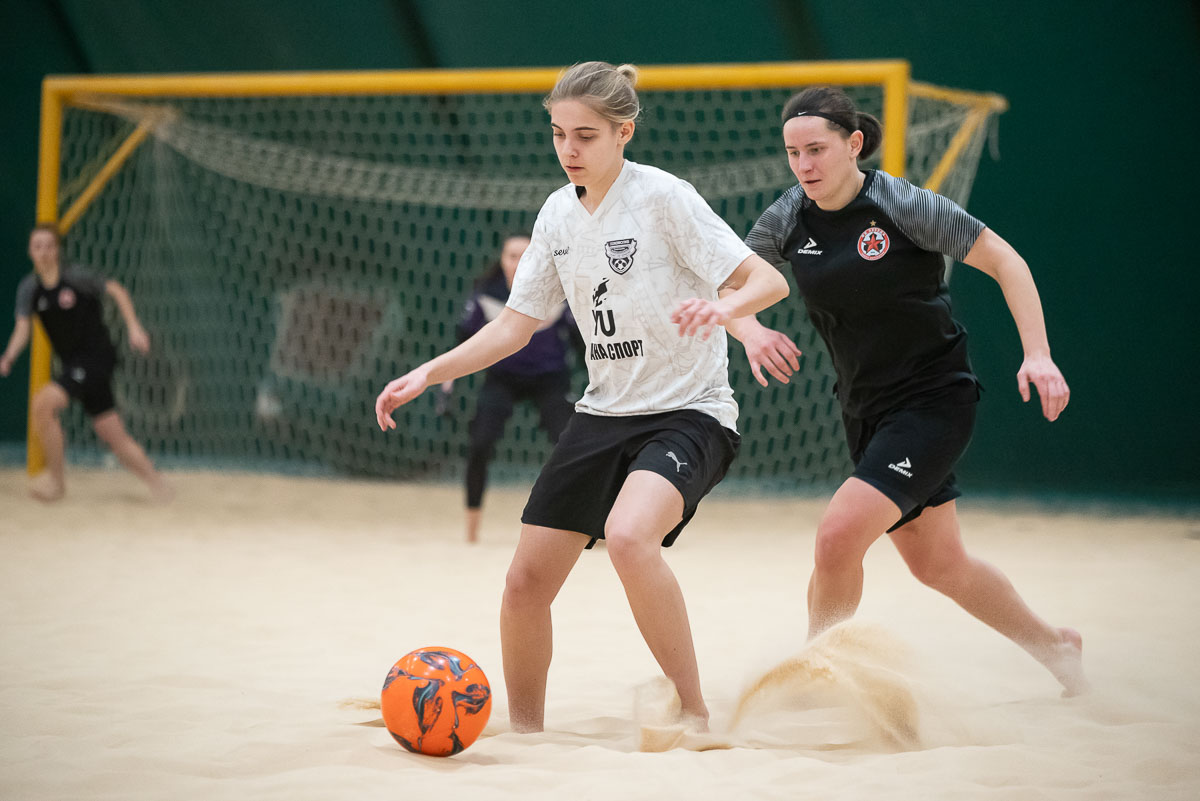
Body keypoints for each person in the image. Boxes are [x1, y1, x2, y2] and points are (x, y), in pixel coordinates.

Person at [376, 61, 790, 732]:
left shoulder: (664, 197)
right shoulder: (555, 215)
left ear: (624, 132)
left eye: (586, 135)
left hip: (689, 412)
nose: (569, 149)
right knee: (524, 582)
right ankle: (528, 734)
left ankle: (694, 713)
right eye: (558, 134)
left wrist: (727, 312)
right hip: (603, 413)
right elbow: (514, 326)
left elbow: (768, 280)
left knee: (628, 537)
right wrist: (428, 372)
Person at [727, 86, 1086, 696]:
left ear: (853, 144)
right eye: (793, 153)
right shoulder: (788, 216)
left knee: (837, 537)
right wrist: (750, 330)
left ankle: (817, 675)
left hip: (933, 399)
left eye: (816, 150)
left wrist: (1039, 354)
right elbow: (729, 285)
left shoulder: (902, 205)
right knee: (939, 565)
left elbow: (1007, 261)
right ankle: (1056, 647)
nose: (804, 165)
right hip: (864, 406)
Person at [0, 224, 171, 503]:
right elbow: (22, 329)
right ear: (30, 251)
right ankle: (160, 486)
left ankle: (56, 483)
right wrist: (8, 357)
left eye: (49, 246)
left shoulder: (76, 277)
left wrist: (134, 327)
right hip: (75, 364)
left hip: (97, 357)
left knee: (43, 404)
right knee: (112, 433)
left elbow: (117, 290)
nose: (43, 252)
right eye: (37, 246)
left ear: (58, 250)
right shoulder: (29, 288)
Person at [438, 233, 582, 544]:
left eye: (525, 255)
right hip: (502, 379)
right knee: (480, 444)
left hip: (550, 379)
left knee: (570, 446)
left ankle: (582, 524)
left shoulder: (558, 292)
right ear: (502, 260)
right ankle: (472, 532)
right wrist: (447, 380)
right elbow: (464, 341)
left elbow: (582, 342)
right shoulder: (486, 295)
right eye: (512, 256)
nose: (518, 262)